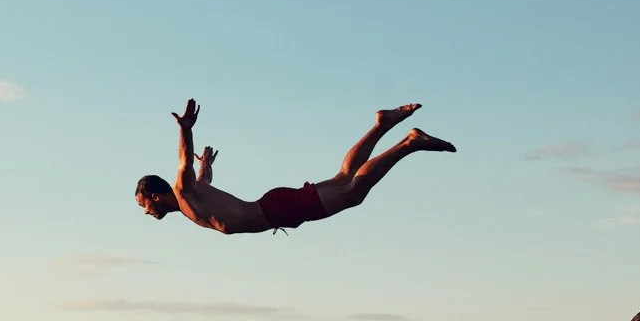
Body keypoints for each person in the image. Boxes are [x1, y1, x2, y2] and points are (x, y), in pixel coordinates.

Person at [135, 99, 456, 234]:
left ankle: (408, 143)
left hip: (273, 211)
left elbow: (183, 165)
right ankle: (382, 124)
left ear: (155, 195)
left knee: (354, 191)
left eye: (143, 204)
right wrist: (206, 165)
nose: (145, 211)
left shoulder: (182, 191)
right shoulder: (195, 193)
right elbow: (202, 176)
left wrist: (186, 129)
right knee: (344, 178)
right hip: (274, 206)